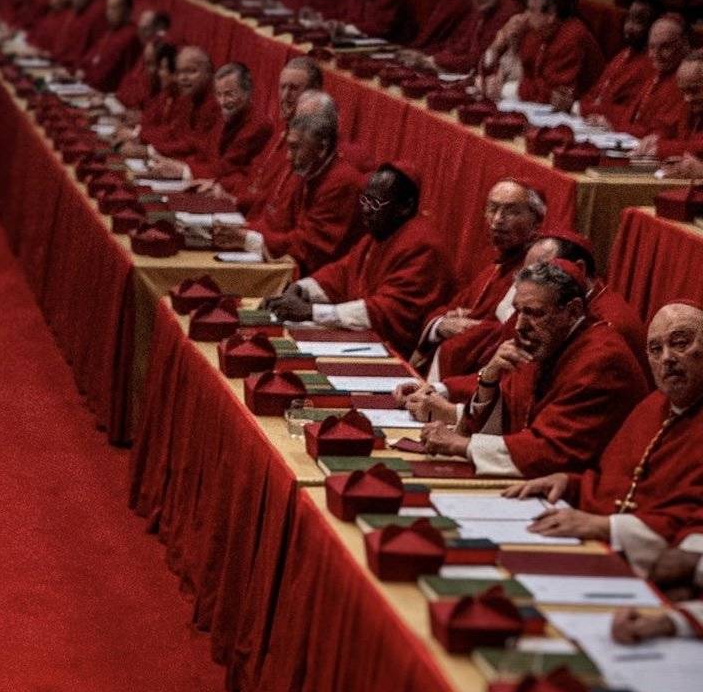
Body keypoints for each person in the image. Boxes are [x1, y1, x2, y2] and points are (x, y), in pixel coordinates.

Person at [505, 300, 703, 569]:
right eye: (655, 349)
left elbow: (692, 521)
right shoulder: (652, 407)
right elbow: (614, 484)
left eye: (680, 343)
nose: (667, 358)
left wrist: (606, 526)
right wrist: (570, 484)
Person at [417, 261, 646, 476]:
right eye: (518, 311)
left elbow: (554, 450)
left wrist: (461, 445)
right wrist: (489, 377)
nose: (520, 326)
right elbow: (510, 417)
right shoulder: (548, 343)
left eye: (535, 313)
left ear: (573, 311)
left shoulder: (601, 361)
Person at [262, 163, 452, 347]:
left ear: (405, 206)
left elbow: (386, 312)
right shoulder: (381, 232)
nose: (366, 210)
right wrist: (300, 289)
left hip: (394, 347)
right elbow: (341, 274)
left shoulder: (422, 244)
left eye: (376, 203)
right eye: (365, 199)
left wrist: (310, 312)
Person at [415, 179, 546, 375]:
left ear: (536, 221)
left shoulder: (535, 272)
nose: (497, 220)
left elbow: (511, 334)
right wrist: (441, 325)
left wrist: (471, 330)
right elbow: (447, 310)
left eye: (511, 211)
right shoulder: (493, 264)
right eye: (492, 209)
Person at [217, 101, 361, 272]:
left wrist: (248, 238)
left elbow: (310, 246)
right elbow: (280, 223)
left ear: (321, 148)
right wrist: (242, 229)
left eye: (295, 148)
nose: (287, 156)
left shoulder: (342, 182)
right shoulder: (308, 169)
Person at [481, 0, 603, 109]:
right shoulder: (535, 30)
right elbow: (523, 75)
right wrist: (498, 45)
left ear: (551, 14)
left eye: (531, 10)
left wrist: (506, 88)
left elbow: (554, 93)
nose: (525, 16)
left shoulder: (572, 36)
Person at [217, 58, 321, 207]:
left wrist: (235, 200)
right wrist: (219, 186)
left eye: (294, 88)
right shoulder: (283, 128)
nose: (285, 96)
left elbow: (280, 198)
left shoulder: (310, 143)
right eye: (282, 87)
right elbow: (255, 175)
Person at [173, 63, 270, 186]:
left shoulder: (258, 125)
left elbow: (228, 167)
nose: (222, 102)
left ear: (248, 92)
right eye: (219, 94)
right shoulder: (225, 115)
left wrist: (182, 170)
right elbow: (204, 153)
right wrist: (176, 164)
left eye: (229, 94)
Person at [411, 0, 518, 74]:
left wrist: (433, 61)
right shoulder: (483, 8)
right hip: (463, 68)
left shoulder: (508, 12)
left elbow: (479, 59)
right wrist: (431, 58)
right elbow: (460, 45)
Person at [577, 1, 657, 124]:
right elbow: (596, 92)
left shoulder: (651, 65)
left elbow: (629, 113)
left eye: (639, 22)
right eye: (629, 19)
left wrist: (579, 107)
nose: (629, 27)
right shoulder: (623, 54)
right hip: (590, 120)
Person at [133, 45, 218, 162]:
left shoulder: (215, 103)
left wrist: (149, 150)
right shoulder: (188, 98)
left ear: (209, 73)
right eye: (180, 72)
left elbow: (194, 145)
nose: (183, 77)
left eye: (191, 71)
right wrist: (141, 137)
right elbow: (173, 132)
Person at [77, 0, 142, 94]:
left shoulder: (131, 36)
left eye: (114, 8)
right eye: (108, 8)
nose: (109, 12)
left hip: (106, 93)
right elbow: (91, 56)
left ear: (127, 11)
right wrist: (82, 69)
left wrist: (87, 77)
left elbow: (118, 74)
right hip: (88, 86)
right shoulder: (110, 31)